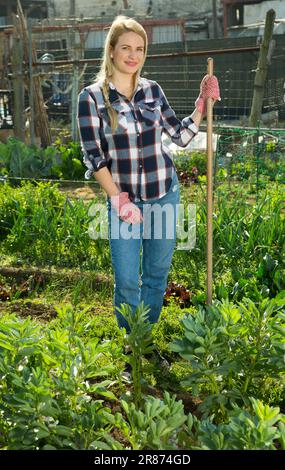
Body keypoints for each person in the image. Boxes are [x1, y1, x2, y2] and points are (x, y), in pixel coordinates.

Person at [77, 16, 220, 350]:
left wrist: (201, 106)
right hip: (123, 200)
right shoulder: (92, 98)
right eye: (126, 47)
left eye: (139, 49)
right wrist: (118, 199)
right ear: (111, 51)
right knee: (127, 278)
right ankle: (131, 336)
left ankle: (144, 338)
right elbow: (93, 156)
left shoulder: (152, 91)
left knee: (156, 274)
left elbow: (179, 136)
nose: (133, 55)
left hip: (163, 194)